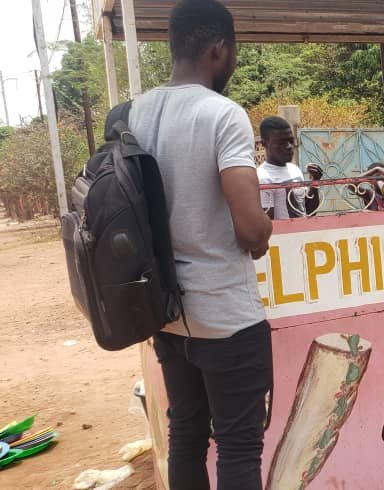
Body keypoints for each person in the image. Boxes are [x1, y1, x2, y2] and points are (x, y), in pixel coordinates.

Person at [127, 1, 273, 489]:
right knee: (237, 445)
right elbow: (250, 230)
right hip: (225, 315)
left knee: (186, 433)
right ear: (219, 48)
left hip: (166, 310)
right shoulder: (223, 115)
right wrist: (265, 229)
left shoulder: (135, 113)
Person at [257, 116, 307, 219]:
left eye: (291, 141)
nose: (289, 146)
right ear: (264, 144)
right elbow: (269, 224)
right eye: (281, 143)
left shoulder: (295, 170)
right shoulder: (262, 178)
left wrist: (315, 183)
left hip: (304, 233)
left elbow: (308, 212)